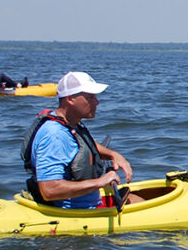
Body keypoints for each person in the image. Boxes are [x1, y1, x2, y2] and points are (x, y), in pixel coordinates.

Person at [21, 71, 142, 209]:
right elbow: (49, 190)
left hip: (89, 203)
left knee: (137, 200)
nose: (97, 102)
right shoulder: (54, 135)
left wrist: (113, 154)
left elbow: (78, 146)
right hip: (73, 212)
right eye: (90, 97)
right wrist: (100, 182)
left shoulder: (69, 124)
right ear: (71, 99)